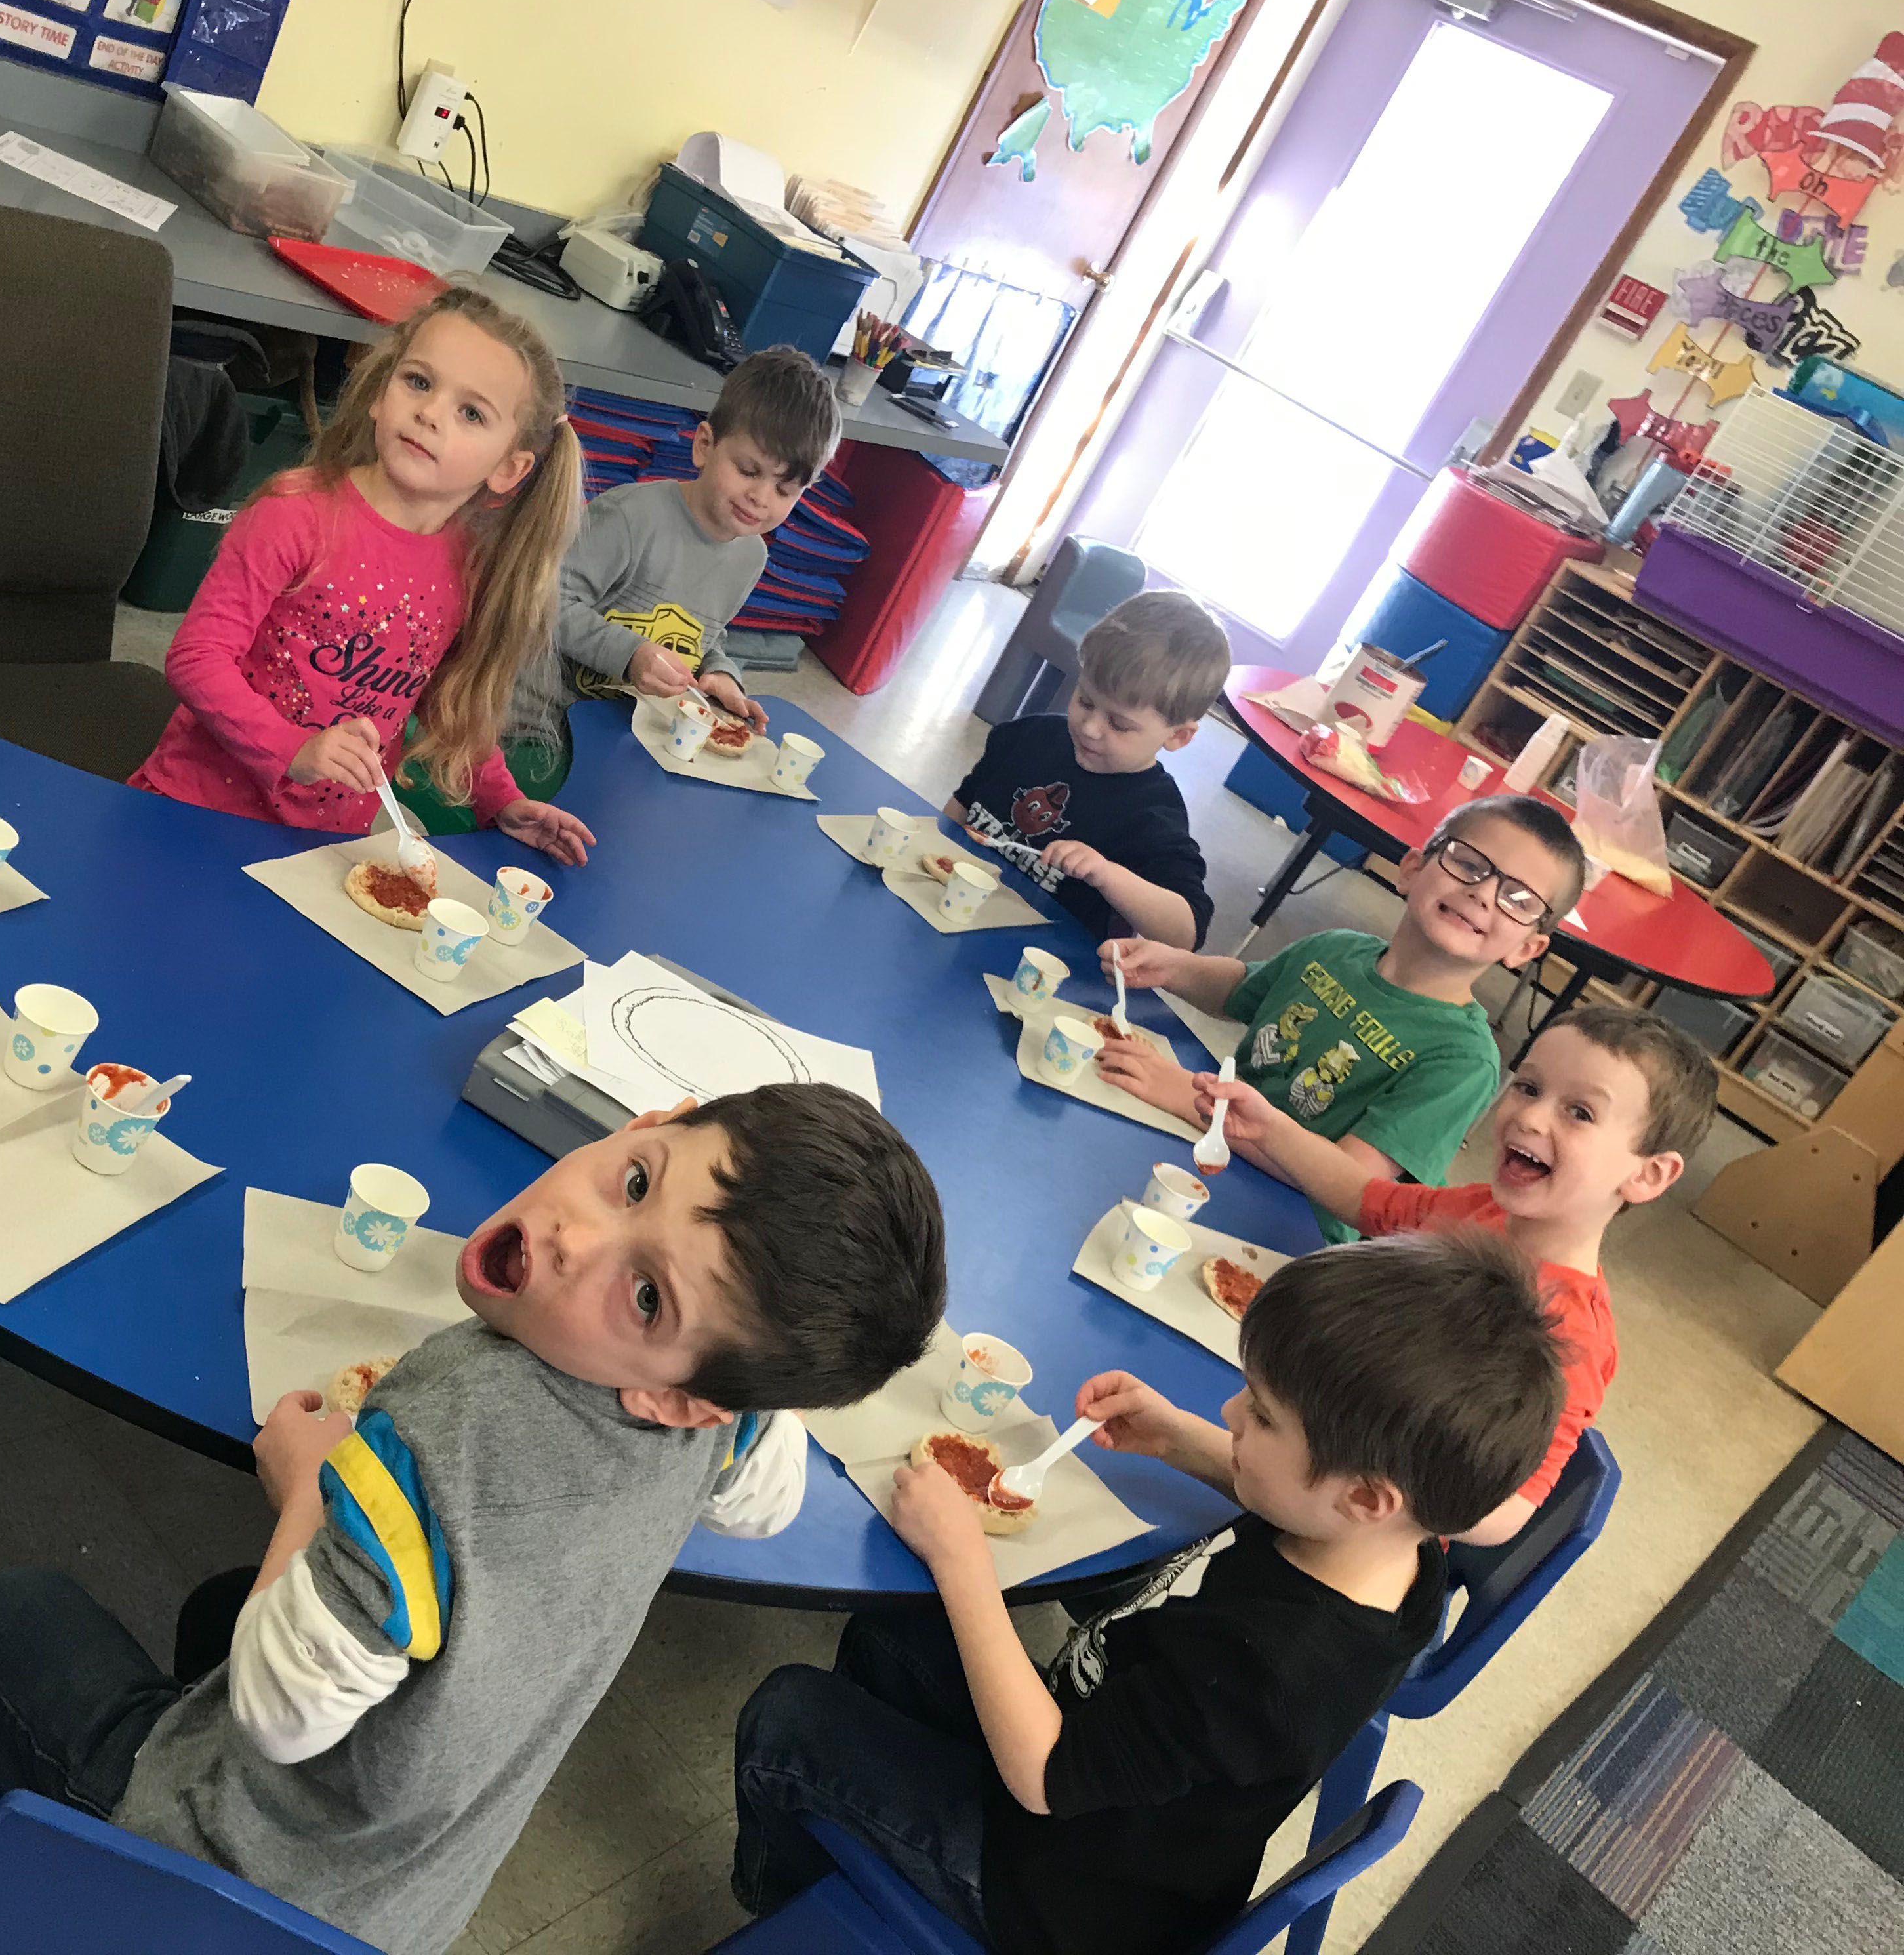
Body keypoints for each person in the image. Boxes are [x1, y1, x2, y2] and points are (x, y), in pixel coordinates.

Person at [0, 1085, 948, 1954]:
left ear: (684, 1401)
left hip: (229, 1889)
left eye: (646, 1296)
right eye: (636, 1182)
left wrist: (312, 1481)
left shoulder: (437, 1448)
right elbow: (766, 1503)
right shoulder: (718, 1418)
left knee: (15, 1615)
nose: (576, 1239)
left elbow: (276, 1711)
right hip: (406, 1904)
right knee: (224, 1609)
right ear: (652, 1122)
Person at [731, 1227, 1564, 1955]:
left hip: (1055, 1894)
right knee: (887, 1637)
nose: (1233, 1410)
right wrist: (1181, 1442)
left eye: (1263, 1417)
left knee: (786, 1719)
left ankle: (789, 1901)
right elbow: (1295, 1503)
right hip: (1110, 1803)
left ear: (1366, 1498)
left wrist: (963, 1563)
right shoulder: (1395, 1558)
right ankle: (856, 1840)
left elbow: (1045, 1774)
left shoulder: (1264, 1672)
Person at [1199, 1002, 1714, 1545]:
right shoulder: (1479, 1209)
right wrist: (1271, 1128)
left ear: (1649, 1174)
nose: (1531, 1118)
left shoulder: (1570, 1335)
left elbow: (1507, 1512)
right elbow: (1365, 1199)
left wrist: (1362, 1482)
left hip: (1349, 1527)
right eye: (1529, 1087)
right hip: (1304, 1418)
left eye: (1580, 1113)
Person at [129, 287, 595, 867]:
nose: (429, 413)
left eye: (471, 413)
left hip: (321, 849)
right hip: (192, 812)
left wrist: (502, 799)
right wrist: (292, 748)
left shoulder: (468, 568)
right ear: (380, 393)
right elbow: (196, 657)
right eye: (419, 382)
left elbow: (452, 704)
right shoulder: (293, 515)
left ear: (509, 467)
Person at [1096, 792, 1589, 1241]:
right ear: (1412, 868)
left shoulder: (1463, 1060)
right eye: (1469, 863)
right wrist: (1174, 966)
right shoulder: (1337, 949)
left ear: (1528, 947)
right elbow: (1240, 992)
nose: (1484, 894)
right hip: (1204, 1149)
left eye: (1519, 900)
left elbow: (1350, 1182)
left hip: (1289, 1226)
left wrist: (1188, 1097)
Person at [496, 344, 843, 802]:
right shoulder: (630, 518)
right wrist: (631, 654)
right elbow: (543, 602)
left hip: (623, 736)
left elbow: (707, 633)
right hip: (532, 730)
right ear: (704, 446)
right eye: (748, 470)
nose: (761, 498)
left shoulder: (751, 557)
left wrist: (720, 673)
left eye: (784, 489)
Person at [945, 592, 1226, 947]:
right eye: (1085, 701)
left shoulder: (1154, 815)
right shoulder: (1027, 736)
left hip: (1035, 965)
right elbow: (959, 809)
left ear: (1179, 737)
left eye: (1120, 725)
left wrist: (1108, 874)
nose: (1090, 728)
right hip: (949, 912)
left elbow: (1186, 934)